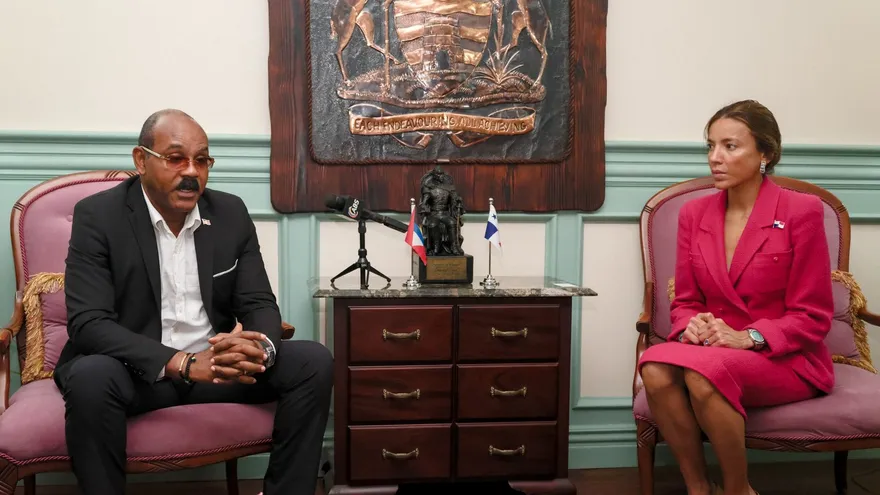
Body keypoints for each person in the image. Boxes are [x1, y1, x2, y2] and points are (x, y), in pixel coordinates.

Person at [54, 109, 334, 495]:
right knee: (90, 377)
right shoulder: (99, 216)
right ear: (141, 160)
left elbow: (258, 303)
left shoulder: (230, 213)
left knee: (313, 360)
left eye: (201, 160)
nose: (191, 172)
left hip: (215, 368)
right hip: (138, 373)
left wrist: (259, 349)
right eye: (176, 158)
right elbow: (88, 323)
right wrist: (181, 363)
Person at [637, 100, 834, 495]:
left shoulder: (802, 211)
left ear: (766, 154)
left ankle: (738, 489)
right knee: (654, 367)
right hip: (713, 350)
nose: (715, 157)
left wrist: (750, 337)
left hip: (785, 358)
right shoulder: (693, 214)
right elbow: (686, 301)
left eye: (730, 146)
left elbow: (813, 315)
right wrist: (691, 325)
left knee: (703, 374)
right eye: (710, 146)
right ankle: (699, 488)